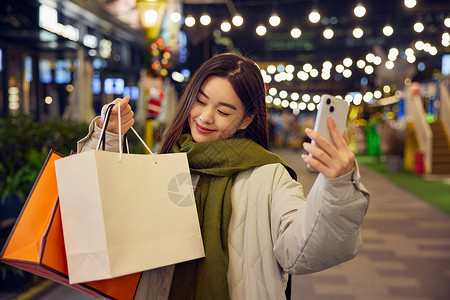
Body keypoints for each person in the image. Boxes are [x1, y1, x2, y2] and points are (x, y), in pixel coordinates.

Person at [77, 53, 370, 300]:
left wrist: (338, 187)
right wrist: (110, 138)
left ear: (246, 119)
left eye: (224, 111)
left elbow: (301, 252)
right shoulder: (164, 161)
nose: (205, 117)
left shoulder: (269, 176)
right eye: (201, 101)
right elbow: (103, 216)